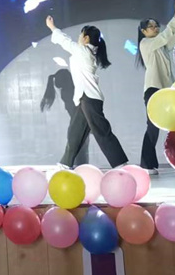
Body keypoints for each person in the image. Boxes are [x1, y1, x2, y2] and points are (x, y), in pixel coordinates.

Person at [45, 16, 128, 169]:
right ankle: (65, 163)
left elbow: (65, 41)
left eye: (80, 34)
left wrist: (52, 27)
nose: (78, 37)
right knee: (75, 132)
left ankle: (120, 162)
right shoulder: (88, 51)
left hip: (89, 98)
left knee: (101, 131)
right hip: (84, 98)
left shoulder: (83, 51)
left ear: (86, 38)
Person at [136, 0, 175, 173]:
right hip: (153, 90)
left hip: (167, 91)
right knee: (153, 128)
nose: (155, 28)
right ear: (143, 31)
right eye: (151, 26)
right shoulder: (146, 44)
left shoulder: (161, 46)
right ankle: (146, 164)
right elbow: (166, 35)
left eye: (156, 25)